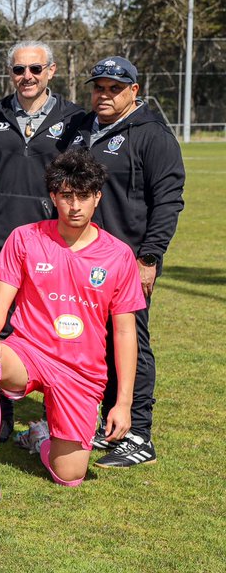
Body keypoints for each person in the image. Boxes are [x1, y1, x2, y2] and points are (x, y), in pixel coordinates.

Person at [0, 150, 144, 514]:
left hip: (80, 371)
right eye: (66, 195)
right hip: (29, 352)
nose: (74, 206)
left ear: (97, 198)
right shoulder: (25, 238)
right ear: (53, 196)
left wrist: (124, 402)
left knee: (70, 476)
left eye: (83, 196)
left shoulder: (118, 256)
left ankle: (41, 437)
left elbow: (125, 334)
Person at [59, 56, 184, 467]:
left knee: (132, 343)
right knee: (95, 343)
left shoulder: (152, 136)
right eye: (99, 87)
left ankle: (138, 434)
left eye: (115, 88)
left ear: (134, 91)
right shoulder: (81, 130)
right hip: (84, 259)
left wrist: (149, 257)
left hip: (129, 261)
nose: (105, 94)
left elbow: (168, 201)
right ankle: (109, 422)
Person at [0, 41, 84, 441]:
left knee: (53, 329)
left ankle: (55, 421)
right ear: (10, 74)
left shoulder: (74, 119)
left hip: (49, 242)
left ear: (51, 71)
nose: (27, 77)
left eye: (35, 69)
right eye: (19, 70)